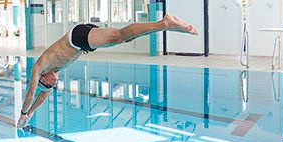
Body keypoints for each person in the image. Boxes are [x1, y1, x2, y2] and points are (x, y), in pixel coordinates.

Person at [16, 14, 198, 128]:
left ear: (43, 79)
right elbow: (43, 95)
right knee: (125, 38)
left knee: (119, 36)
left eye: (50, 84)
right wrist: (31, 113)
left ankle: (165, 24)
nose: (54, 82)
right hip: (81, 40)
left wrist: (23, 112)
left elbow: (32, 95)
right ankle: (163, 25)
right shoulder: (52, 71)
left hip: (77, 38)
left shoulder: (38, 68)